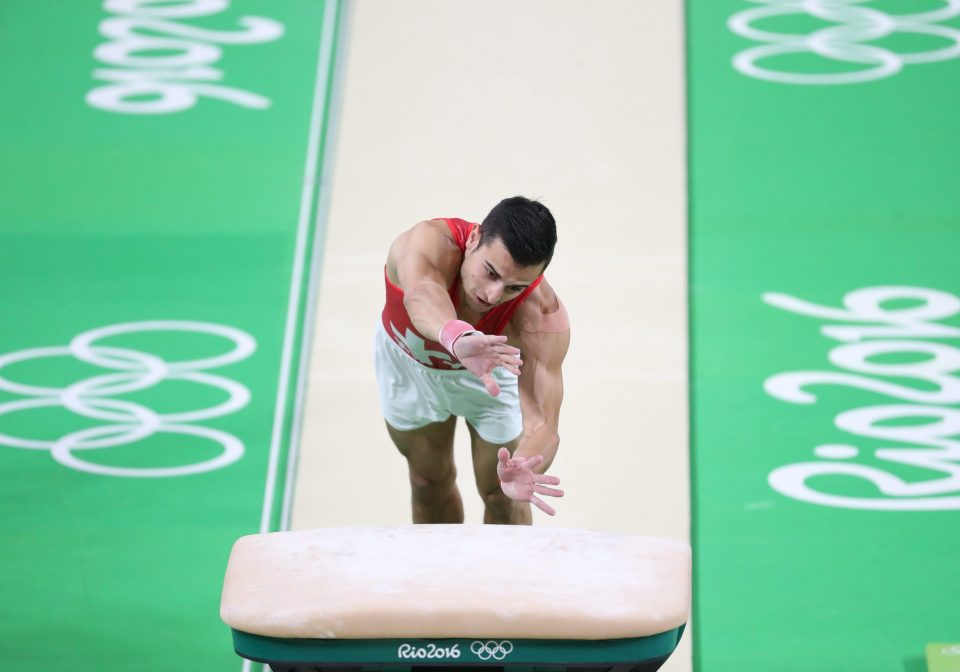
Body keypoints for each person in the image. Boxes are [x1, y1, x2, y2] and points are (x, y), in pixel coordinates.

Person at [375, 196, 570, 524]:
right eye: (491, 272)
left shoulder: (540, 314)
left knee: (501, 495)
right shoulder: (427, 242)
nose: (493, 296)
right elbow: (421, 294)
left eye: (514, 287)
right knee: (428, 482)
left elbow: (543, 425)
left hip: (491, 377)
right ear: (475, 238)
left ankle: (508, 576)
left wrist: (524, 462)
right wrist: (458, 338)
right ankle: (440, 575)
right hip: (410, 368)